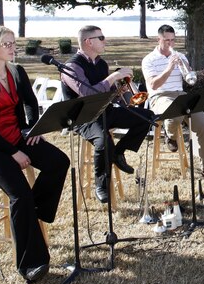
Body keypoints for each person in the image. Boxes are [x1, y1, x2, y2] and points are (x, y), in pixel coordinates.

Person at [0, 25, 68, 282]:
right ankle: (31, 264)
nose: (13, 48)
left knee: (59, 162)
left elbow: (31, 102)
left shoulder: (16, 71)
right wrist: (13, 153)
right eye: (6, 44)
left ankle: (34, 211)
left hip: (18, 137)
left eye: (12, 43)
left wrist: (32, 128)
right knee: (20, 194)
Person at [61, 25, 154, 203]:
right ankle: (101, 185)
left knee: (147, 116)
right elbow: (88, 94)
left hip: (105, 111)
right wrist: (113, 77)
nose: (105, 41)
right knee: (104, 140)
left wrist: (122, 92)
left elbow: (108, 92)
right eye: (101, 38)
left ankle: (118, 153)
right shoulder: (71, 67)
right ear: (89, 42)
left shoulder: (101, 63)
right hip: (84, 117)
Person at [141, 24, 204, 178]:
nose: (170, 44)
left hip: (180, 94)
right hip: (160, 96)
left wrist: (184, 66)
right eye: (166, 40)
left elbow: (190, 79)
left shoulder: (179, 56)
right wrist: (169, 68)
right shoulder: (149, 60)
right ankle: (170, 135)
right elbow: (153, 84)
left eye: (173, 40)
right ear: (158, 39)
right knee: (175, 113)